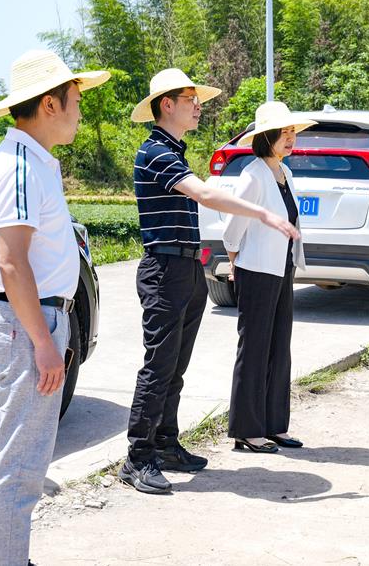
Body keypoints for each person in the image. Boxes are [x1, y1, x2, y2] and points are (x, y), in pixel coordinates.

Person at [121, 69, 300, 494]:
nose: (199, 105)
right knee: (159, 365)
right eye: (191, 98)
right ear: (167, 104)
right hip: (163, 270)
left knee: (176, 366)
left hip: (185, 268)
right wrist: (260, 213)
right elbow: (203, 194)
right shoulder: (155, 152)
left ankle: (165, 443)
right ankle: (138, 457)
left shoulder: (175, 151)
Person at [0, 49, 110, 566]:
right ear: (49, 104)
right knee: (22, 460)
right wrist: (44, 343)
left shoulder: (28, 160)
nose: (80, 110)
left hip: (23, 319)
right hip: (25, 322)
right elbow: (12, 263)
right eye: (76, 101)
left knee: (7, 449)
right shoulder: (23, 166)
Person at [223, 101, 315, 453]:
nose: (290, 138)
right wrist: (234, 259)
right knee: (255, 348)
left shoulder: (284, 173)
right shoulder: (253, 173)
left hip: (282, 268)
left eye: (293, 131)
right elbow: (234, 223)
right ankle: (247, 429)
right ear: (267, 137)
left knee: (280, 347)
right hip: (256, 269)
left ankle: (274, 424)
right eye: (284, 132)